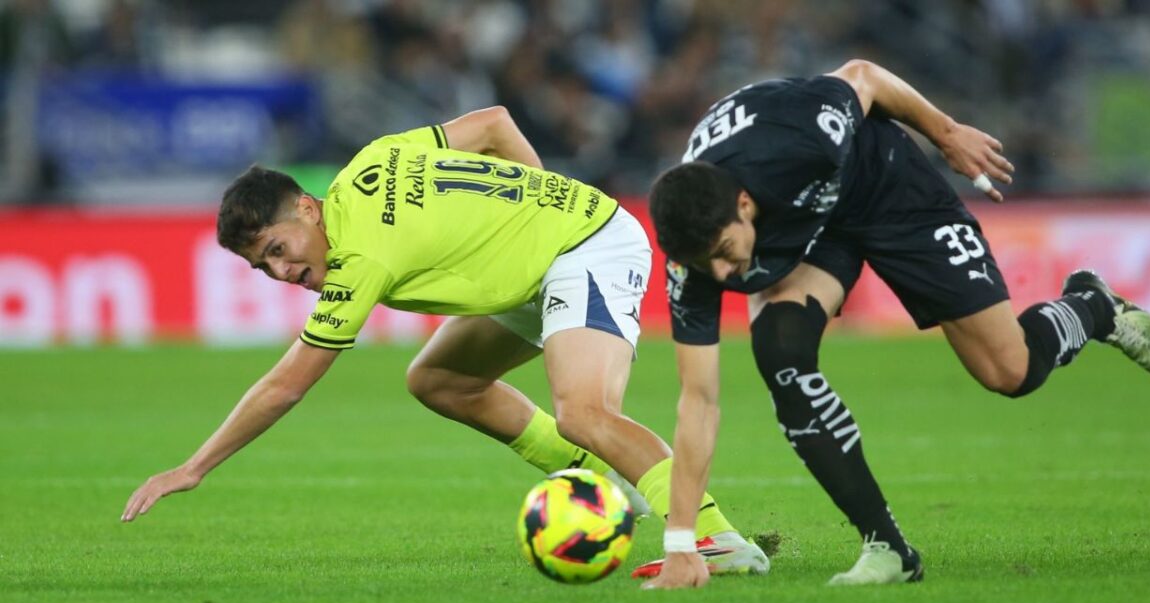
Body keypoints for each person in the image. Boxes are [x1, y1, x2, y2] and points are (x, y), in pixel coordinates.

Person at [120, 106, 770, 578]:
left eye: (278, 250)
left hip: (588, 244)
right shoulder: (366, 166)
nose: (284, 273)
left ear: (308, 210)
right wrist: (534, 211)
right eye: (264, 267)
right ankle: (606, 483)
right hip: (544, 257)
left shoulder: (358, 261)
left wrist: (194, 466)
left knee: (584, 412)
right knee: (438, 379)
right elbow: (493, 124)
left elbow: (286, 384)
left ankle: (713, 536)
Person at [640, 59, 1150, 589]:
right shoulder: (695, 257)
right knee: (781, 354)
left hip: (888, 188)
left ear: (744, 204)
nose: (723, 273)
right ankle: (888, 547)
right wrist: (681, 544)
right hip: (815, 233)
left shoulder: (798, 136)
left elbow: (864, 76)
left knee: (1009, 370)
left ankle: (1092, 306)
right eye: (704, 264)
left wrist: (946, 135)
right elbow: (699, 401)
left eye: (725, 251)